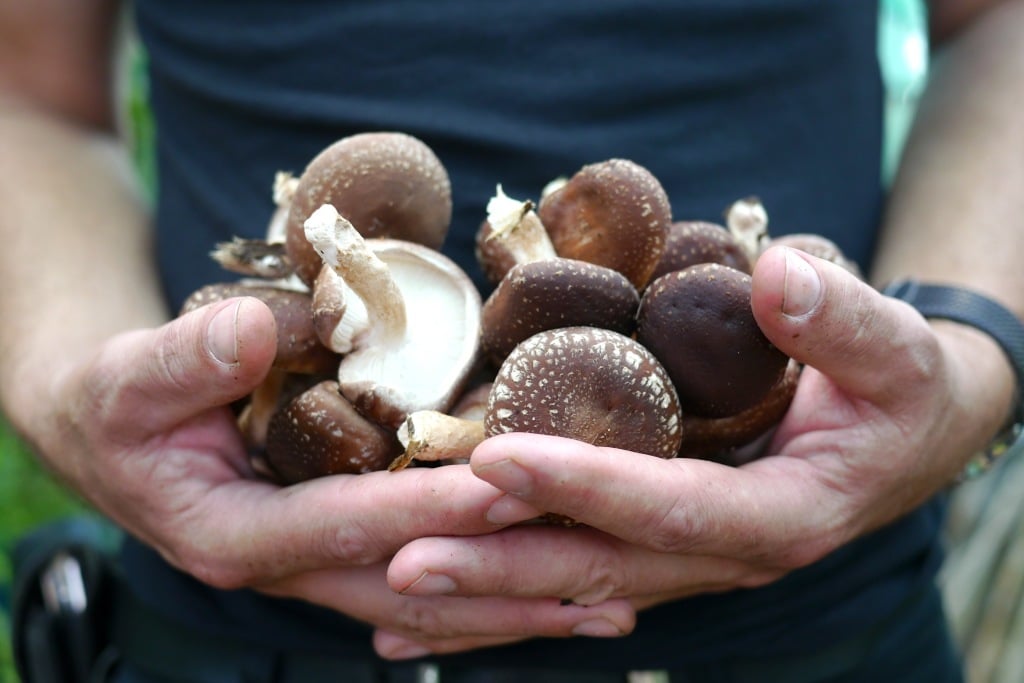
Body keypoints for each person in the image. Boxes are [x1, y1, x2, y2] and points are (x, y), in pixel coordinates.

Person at [2, 1, 1023, 681]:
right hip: (233, 633)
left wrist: (970, 355)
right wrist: (65, 387)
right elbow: (24, 88)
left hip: (823, 623)